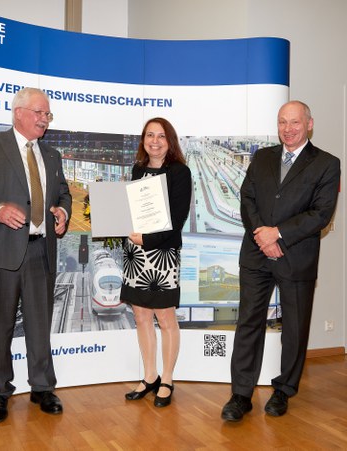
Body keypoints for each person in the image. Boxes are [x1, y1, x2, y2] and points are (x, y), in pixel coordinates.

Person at [0, 87, 72, 423]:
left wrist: (62, 213)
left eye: (47, 114)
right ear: (18, 112)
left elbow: (63, 193)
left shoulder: (52, 155)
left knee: (39, 326)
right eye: (38, 112)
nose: (44, 119)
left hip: (40, 252)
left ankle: (42, 387)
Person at [221, 100, 341, 422]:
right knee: (248, 323)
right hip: (257, 255)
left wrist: (278, 235)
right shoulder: (262, 157)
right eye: (282, 123)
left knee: (294, 330)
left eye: (295, 123)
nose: (288, 129)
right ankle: (240, 395)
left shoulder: (327, 164)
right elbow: (247, 198)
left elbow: (320, 214)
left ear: (309, 124)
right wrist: (263, 235)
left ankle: (283, 390)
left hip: (296, 257)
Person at [121, 117, 192, 408]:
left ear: (169, 141)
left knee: (165, 318)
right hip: (135, 256)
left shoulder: (179, 172)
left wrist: (147, 241)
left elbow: (177, 219)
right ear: (143, 140)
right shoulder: (137, 170)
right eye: (149, 135)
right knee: (140, 316)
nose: (154, 141)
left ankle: (167, 378)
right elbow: (128, 209)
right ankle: (149, 376)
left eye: (161, 136)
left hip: (161, 254)